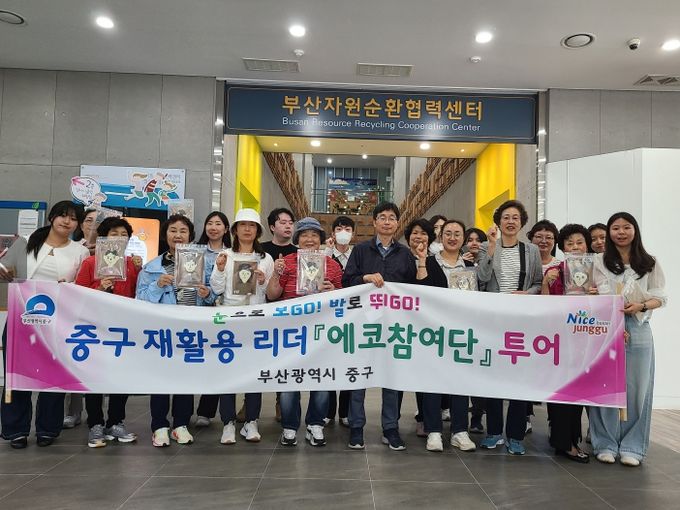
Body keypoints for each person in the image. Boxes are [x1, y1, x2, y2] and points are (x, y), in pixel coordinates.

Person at [1, 201, 90, 449]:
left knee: (53, 376)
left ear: (77, 224)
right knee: (16, 374)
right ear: (52, 218)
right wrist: (4, 273)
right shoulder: (26, 242)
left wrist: (69, 287)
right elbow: (6, 269)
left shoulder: (80, 252)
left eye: (73, 218)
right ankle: (15, 429)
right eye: (62, 216)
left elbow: (82, 286)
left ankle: (47, 429)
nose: (66, 221)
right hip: (21, 318)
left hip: (59, 321)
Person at [342, 202, 420, 451]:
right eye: (382, 217)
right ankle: (356, 427)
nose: (387, 222)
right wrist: (364, 278)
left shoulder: (405, 254)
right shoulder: (360, 251)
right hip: (364, 324)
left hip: (395, 325)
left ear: (397, 223)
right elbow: (346, 281)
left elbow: (414, 289)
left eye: (392, 218)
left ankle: (390, 428)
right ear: (374, 222)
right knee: (359, 375)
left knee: (392, 376)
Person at [590, 212, 666, 467]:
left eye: (626, 227)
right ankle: (605, 443)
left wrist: (641, 306)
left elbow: (660, 298)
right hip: (606, 325)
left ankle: (633, 446)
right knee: (604, 385)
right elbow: (593, 293)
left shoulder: (650, 262)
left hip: (638, 325)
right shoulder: (599, 261)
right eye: (615, 228)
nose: (621, 232)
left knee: (638, 387)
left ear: (635, 230)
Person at [136, 214, 213, 447]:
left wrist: (207, 294)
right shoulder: (151, 268)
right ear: (165, 235)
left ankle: (181, 424)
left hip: (191, 330)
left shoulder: (202, 264)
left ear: (190, 236)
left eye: (183, 231)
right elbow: (140, 300)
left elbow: (213, 297)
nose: (178, 235)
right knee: (161, 379)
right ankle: (159, 426)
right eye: (173, 230)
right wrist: (157, 285)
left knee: (185, 378)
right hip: (163, 332)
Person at [266, 217, 343, 447]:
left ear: (321, 239)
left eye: (314, 235)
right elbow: (271, 295)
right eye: (304, 235)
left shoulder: (332, 265)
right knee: (290, 379)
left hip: (321, 331)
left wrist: (332, 291)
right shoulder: (287, 263)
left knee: (321, 379)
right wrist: (276, 273)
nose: (309, 239)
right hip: (291, 331)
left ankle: (315, 425)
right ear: (297, 239)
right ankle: (289, 427)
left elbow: (342, 302)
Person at [477, 200, 542, 455]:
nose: (511, 221)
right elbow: (481, 279)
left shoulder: (531, 250)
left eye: (515, 217)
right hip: (493, 320)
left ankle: (515, 435)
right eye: (506, 217)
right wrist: (492, 247)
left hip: (521, 321)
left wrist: (527, 294)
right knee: (493, 377)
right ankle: (494, 432)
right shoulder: (486, 246)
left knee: (519, 378)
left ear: (522, 222)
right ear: (498, 221)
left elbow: (538, 283)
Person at [75, 216, 142, 448]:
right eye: (114, 234)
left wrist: (139, 268)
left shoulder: (131, 265)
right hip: (95, 328)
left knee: (121, 377)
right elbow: (78, 296)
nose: (120, 238)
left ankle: (116, 421)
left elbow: (139, 294)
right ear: (103, 237)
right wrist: (99, 286)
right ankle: (95, 423)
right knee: (95, 377)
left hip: (123, 330)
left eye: (124, 235)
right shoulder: (90, 263)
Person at [209, 208, 273, 444]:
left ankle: (251, 421)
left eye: (252, 225)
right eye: (243, 225)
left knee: (254, 373)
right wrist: (219, 268)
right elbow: (216, 288)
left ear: (258, 231)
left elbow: (269, 294)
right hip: (230, 320)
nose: (247, 229)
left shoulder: (266, 259)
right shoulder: (225, 255)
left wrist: (262, 281)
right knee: (228, 371)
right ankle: (228, 423)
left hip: (256, 319)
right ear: (235, 229)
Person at [542, 223, 596, 463]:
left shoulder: (596, 272)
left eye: (579, 242)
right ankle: (564, 442)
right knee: (561, 391)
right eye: (569, 243)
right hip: (560, 340)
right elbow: (543, 306)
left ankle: (568, 440)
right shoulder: (555, 271)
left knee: (578, 393)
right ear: (562, 247)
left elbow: (607, 303)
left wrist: (596, 295)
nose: (575, 247)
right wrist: (547, 283)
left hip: (586, 340)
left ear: (587, 245)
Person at [426, 219, 478, 453]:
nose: (453, 237)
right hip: (433, 329)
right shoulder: (428, 262)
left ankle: (459, 431)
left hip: (461, 330)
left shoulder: (470, 266)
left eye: (457, 233)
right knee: (433, 380)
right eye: (448, 233)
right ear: (441, 236)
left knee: (460, 379)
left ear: (463, 238)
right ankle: (434, 431)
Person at [194, 211, 232, 428]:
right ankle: (183, 410)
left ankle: (206, 411)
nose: (213, 227)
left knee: (216, 361)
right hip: (194, 311)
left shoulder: (231, 254)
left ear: (226, 229)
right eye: (210, 223)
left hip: (219, 314)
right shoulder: (193, 250)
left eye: (218, 224)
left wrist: (210, 294)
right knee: (192, 358)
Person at [404, 219, 440, 440]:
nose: (419, 237)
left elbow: (429, 289)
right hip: (404, 324)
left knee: (426, 373)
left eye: (424, 233)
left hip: (428, 325)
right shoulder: (400, 257)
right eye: (415, 233)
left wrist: (423, 261)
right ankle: (414, 418)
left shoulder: (434, 261)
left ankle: (427, 417)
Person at [63, 208, 98, 429]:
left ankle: (100, 417)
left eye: (98, 221)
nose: (92, 225)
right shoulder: (73, 248)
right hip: (74, 311)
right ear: (81, 224)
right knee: (74, 360)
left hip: (100, 314)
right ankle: (72, 411)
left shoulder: (114, 249)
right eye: (88, 220)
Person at [260, 207, 296, 422]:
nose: (288, 226)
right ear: (272, 226)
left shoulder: (297, 252)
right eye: (283, 222)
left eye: (290, 222)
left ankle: (281, 402)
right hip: (262, 311)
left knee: (285, 360)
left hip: (287, 315)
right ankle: (248, 402)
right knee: (258, 358)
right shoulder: (260, 250)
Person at [324, 215, 355, 427]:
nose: (343, 232)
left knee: (348, 364)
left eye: (347, 229)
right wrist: (326, 252)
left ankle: (345, 411)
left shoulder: (357, 255)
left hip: (352, 316)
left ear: (353, 233)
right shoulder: (325, 255)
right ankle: (328, 411)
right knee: (328, 364)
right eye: (339, 228)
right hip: (328, 317)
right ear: (333, 233)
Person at [463, 227, 488, 433]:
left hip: (484, 324)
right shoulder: (461, 262)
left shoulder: (490, 261)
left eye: (478, 239)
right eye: (470, 239)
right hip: (464, 324)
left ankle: (477, 416)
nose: (473, 243)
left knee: (480, 374)